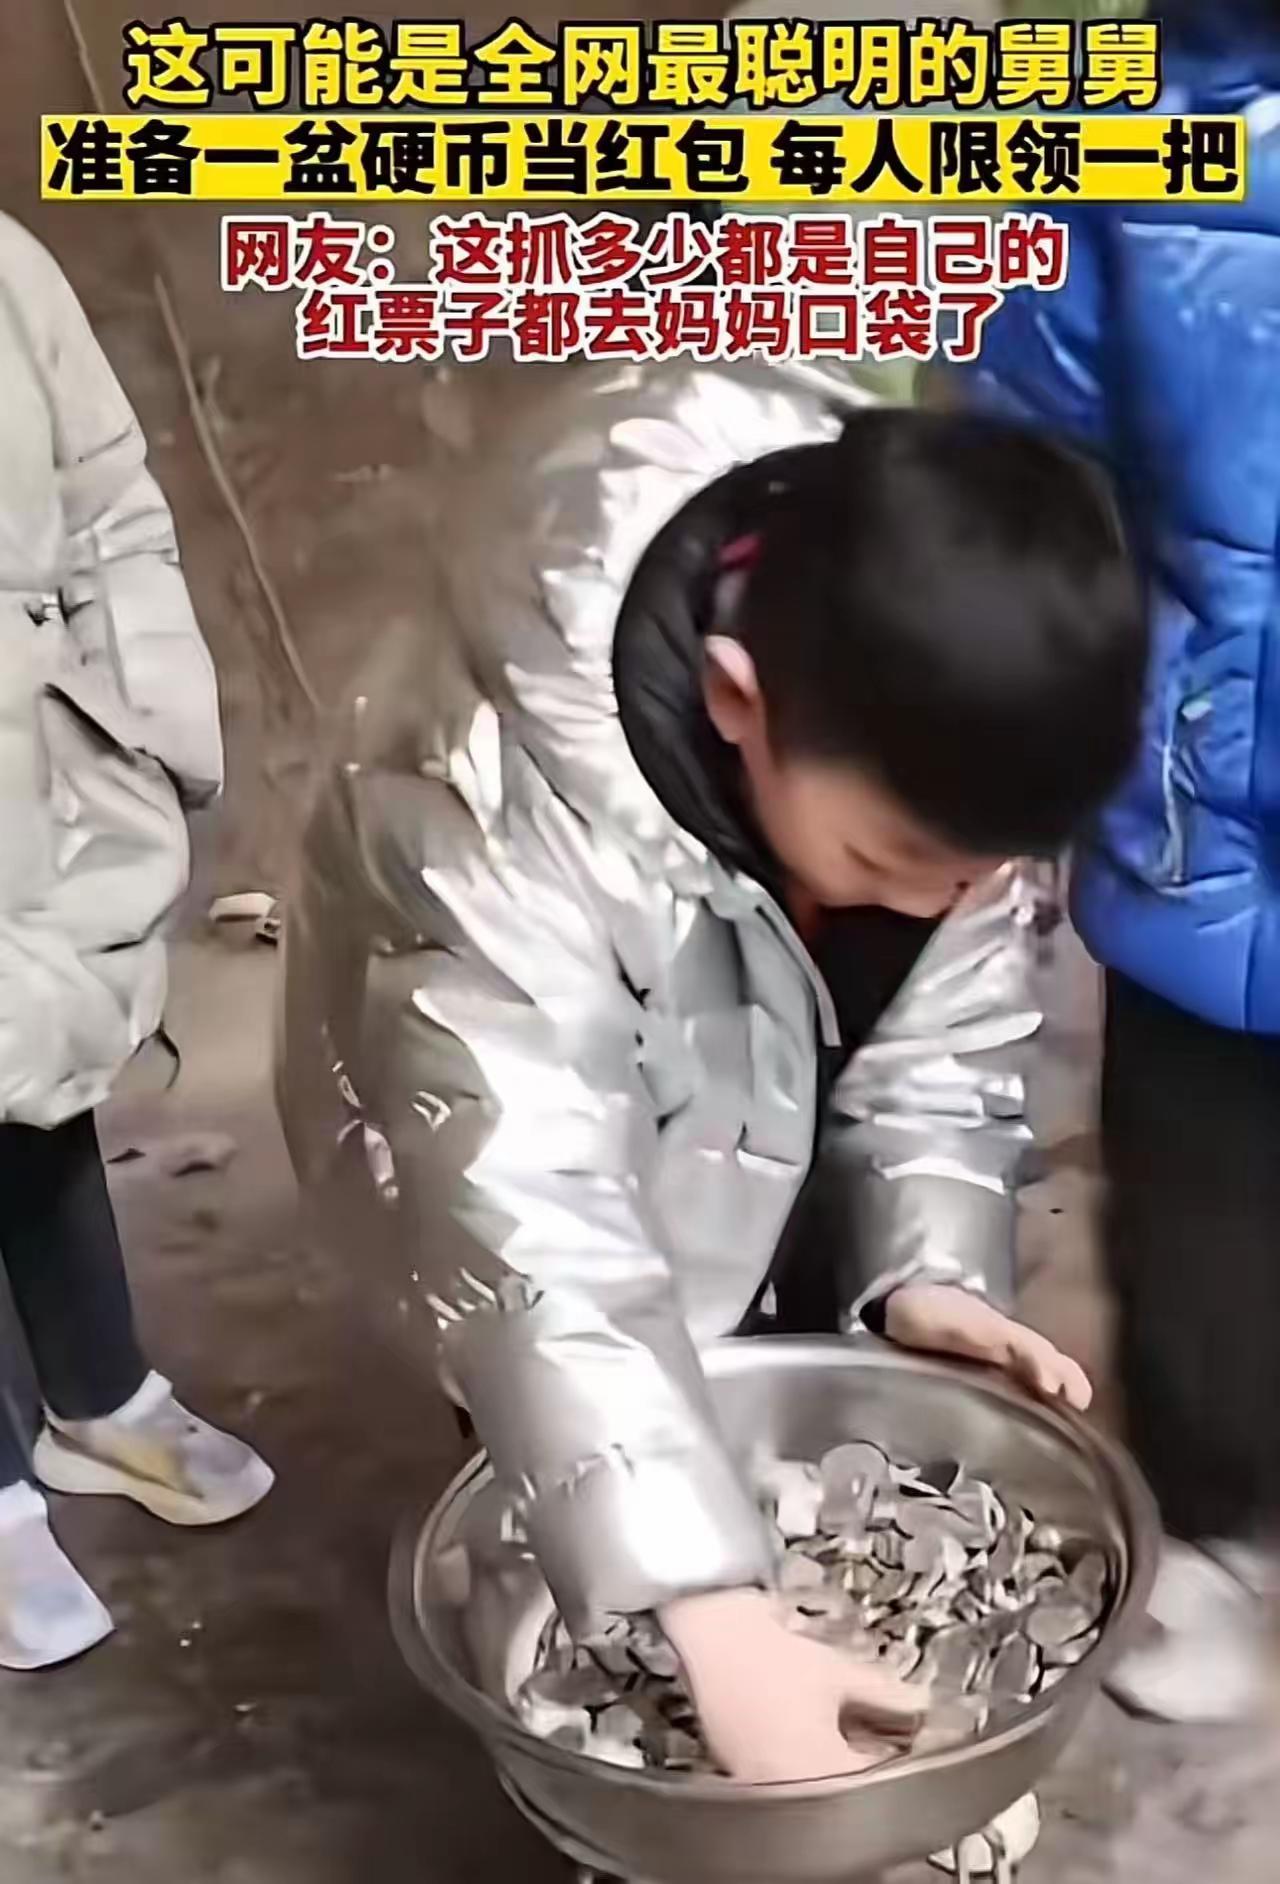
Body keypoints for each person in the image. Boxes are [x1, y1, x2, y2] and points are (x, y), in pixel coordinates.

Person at [279, 359, 1146, 1782]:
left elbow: (944, 1038)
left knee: (774, 1347)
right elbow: (522, 1203)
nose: (935, 904)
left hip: (753, 1082)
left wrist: (924, 1267)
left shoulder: (949, 724)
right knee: (567, 1437)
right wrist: (699, 1599)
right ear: (738, 701)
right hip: (486, 1159)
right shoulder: (497, 792)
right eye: (890, 861)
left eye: (977, 875)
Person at [964, 0, 1280, 1722]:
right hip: (1201, 797)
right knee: (1198, 1187)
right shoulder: (1123, 122)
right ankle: (1221, 1529)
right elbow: (1034, 445)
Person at [0, 213, 272, 1671]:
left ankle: (97, 1399)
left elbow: (108, 500)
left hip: (30, 760)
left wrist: (149, 732)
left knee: (45, 1064)